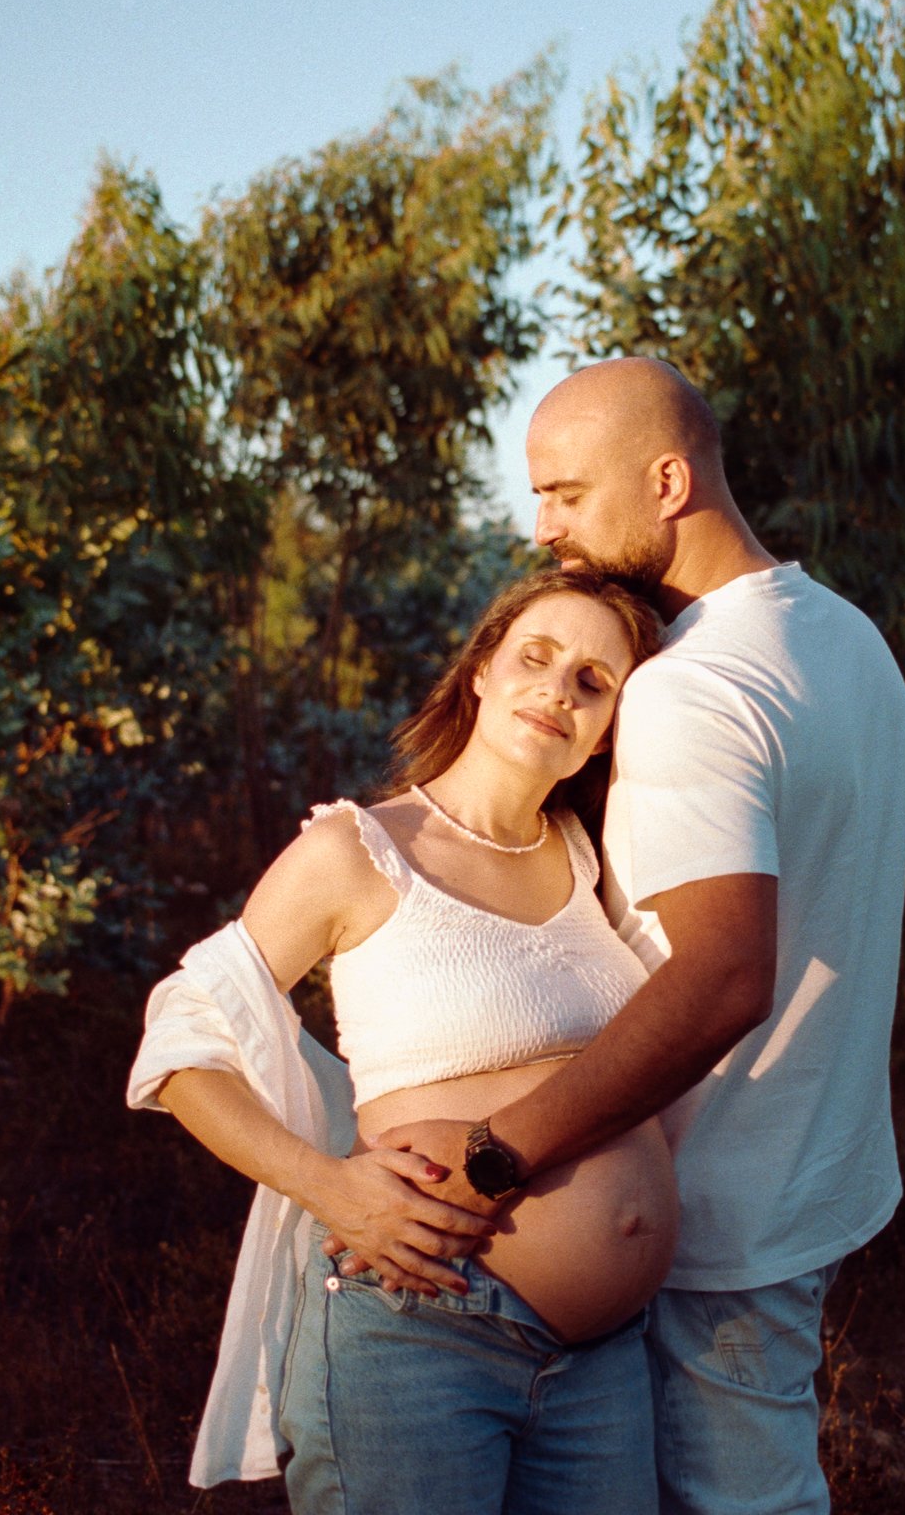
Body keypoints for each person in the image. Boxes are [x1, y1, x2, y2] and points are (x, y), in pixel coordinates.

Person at [370, 356, 905, 1515]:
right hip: (810, 1172)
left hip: (718, 1210)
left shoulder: (691, 688)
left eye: (567, 493)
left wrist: (495, 1157)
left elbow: (723, 979)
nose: (543, 527)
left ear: (667, 480)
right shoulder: (846, 637)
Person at [126, 567, 674, 1513]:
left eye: (594, 681)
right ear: (480, 674)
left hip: (599, 1367)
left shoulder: (594, 860)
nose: (557, 690)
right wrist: (326, 1183)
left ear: (610, 724)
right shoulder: (362, 850)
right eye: (535, 659)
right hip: (422, 1332)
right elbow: (181, 1042)